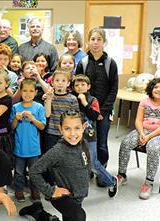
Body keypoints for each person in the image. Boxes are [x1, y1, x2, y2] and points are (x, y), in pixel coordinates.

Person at [19, 110, 91, 221]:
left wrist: (83, 187)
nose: (73, 134)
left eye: (77, 128)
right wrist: (51, 190)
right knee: (79, 218)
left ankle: (39, 213)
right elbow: (34, 171)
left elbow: (86, 165)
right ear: (60, 129)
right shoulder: (58, 150)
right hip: (61, 196)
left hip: (77, 196)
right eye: (67, 129)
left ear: (83, 127)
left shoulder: (83, 143)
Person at [116, 78, 160, 200]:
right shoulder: (144, 101)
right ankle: (122, 175)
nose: (158, 89)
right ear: (151, 89)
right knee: (126, 143)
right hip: (144, 131)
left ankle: (148, 183)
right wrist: (142, 133)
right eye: (156, 87)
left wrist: (149, 137)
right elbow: (138, 120)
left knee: (152, 147)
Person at [75, 27, 118, 174]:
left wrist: (102, 111)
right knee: (84, 141)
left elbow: (114, 89)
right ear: (88, 42)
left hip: (103, 112)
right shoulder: (83, 63)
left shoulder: (110, 63)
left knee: (101, 143)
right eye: (92, 39)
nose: (95, 42)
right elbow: (77, 86)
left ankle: (101, 171)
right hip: (85, 110)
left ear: (104, 42)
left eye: (99, 39)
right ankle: (86, 169)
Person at [74, 74, 118, 197]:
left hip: (89, 136)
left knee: (93, 163)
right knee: (77, 162)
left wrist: (85, 103)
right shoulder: (72, 98)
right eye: (77, 85)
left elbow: (94, 116)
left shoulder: (93, 100)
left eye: (83, 84)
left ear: (88, 86)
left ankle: (111, 181)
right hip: (74, 136)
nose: (79, 87)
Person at [10, 79, 46, 202]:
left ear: (36, 92)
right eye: (24, 90)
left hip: (34, 148)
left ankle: (35, 191)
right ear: (20, 91)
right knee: (19, 172)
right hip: (19, 148)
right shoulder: (15, 107)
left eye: (31, 91)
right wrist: (16, 118)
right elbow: (12, 127)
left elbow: (42, 126)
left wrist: (32, 118)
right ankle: (19, 190)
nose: (27, 93)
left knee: (34, 172)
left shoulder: (39, 107)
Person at [44, 70, 79, 151]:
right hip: (51, 132)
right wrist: (48, 99)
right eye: (57, 80)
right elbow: (47, 114)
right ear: (52, 83)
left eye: (63, 80)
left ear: (68, 83)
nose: (60, 83)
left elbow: (75, 117)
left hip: (67, 133)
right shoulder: (49, 96)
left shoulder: (72, 99)